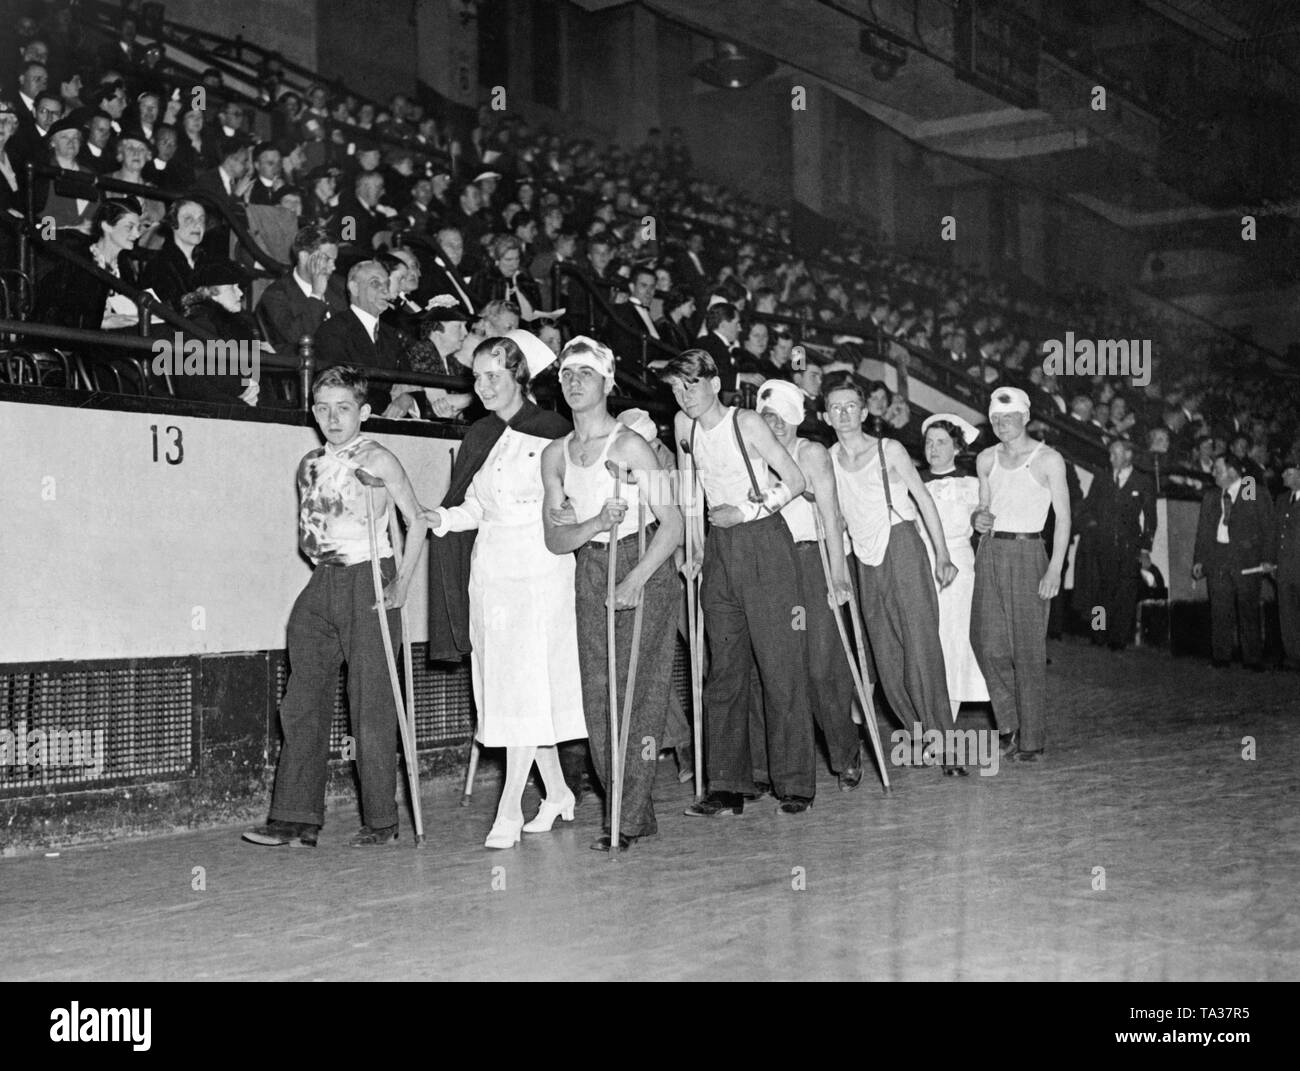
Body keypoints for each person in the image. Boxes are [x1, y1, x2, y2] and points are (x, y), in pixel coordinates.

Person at [243, 365, 430, 847]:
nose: (333, 417)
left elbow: (418, 522)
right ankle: (295, 816)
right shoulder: (307, 462)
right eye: (323, 408)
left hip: (369, 578)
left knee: (371, 705)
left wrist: (402, 584)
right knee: (301, 702)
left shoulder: (379, 458)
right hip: (322, 582)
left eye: (343, 408)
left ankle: (381, 822)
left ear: (364, 412)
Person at [424, 335, 585, 848]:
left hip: (541, 567)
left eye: (494, 375)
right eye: (476, 376)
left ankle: (509, 808)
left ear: (520, 376)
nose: (483, 385)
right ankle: (557, 792)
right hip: (491, 571)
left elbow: (572, 505)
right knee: (507, 687)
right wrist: (442, 517)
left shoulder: (555, 433)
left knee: (528, 686)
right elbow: (475, 506)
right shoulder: (479, 435)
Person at [541, 337, 683, 850]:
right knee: (598, 697)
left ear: (607, 382)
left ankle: (623, 816)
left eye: (584, 372)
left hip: (643, 560)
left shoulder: (629, 445)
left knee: (637, 696)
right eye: (566, 373)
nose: (574, 381)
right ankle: (632, 811)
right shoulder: (555, 455)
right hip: (591, 564)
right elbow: (557, 539)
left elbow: (674, 524)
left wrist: (634, 579)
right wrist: (595, 521)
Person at [661, 349, 817, 816]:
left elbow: (796, 477)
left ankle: (794, 784)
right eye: (675, 388)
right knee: (725, 669)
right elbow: (691, 491)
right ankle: (729, 783)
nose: (683, 396)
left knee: (779, 666)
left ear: (713, 381)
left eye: (690, 385)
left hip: (764, 541)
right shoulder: (682, 425)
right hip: (720, 550)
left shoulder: (745, 422)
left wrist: (748, 509)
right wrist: (691, 547)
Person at [824, 376, 962, 771]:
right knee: (886, 660)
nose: (844, 413)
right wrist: (837, 573)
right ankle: (923, 736)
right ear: (826, 415)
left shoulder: (890, 449)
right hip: (864, 562)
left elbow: (924, 499)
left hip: (902, 547)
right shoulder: (827, 459)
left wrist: (943, 554)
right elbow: (831, 519)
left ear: (865, 412)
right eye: (836, 407)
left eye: (851, 406)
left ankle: (948, 745)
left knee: (921, 649)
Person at [754, 379, 864, 790]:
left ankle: (845, 751)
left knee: (822, 668)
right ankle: (789, 770)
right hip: (772, 568)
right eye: (767, 417)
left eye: (783, 418)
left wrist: (837, 573)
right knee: (786, 673)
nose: (775, 425)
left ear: (797, 419)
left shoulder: (811, 452)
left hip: (813, 559)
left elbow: (832, 515)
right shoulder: (753, 456)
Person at [971, 387, 1072, 762]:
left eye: (1009, 418)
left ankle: (1032, 738)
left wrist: (1055, 568)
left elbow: (1063, 518)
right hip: (991, 553)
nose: (1001, 425)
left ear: (1026, 417)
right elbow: (983, 508)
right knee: (988, 646)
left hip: (1029, 553)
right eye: (996, 419)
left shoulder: (1048, 459)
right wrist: (977, 519)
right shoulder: (985, 459)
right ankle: (1009, 724)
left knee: (1028, 650)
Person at [918, 414, 989, 723]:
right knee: (923, 643)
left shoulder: (972, 485)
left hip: (957, 567)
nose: (933, 449)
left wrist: (979, 520)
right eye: (929, 442)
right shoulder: (912, 481)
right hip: (919, 562)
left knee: (953, 640)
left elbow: (983, 517)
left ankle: (944, 724)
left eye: (942, 442)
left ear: (957, 447)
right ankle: (925, 720)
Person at [1192, 454, 1275, 670]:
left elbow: (1266, 526)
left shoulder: (1249, 487)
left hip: (1246, 560)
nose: (1212, 473)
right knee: (1219, 609)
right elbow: (1202, 532)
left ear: (1231, 471)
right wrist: (1199, 560)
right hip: (1218, 558)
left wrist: (1267, 558)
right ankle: (1221, 657)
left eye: (1216, 469)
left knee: (1248, 610)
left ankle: (1252, 659)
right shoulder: (1211, 495)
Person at [1075, 438, 1158, 650]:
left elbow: (1150, 518)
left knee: (1125, 593)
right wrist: (1090, 525)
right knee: (1100, 591)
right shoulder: (1102, 478)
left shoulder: (1143, 481)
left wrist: (1146, 548)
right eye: (1110, 454)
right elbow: (1088, 507)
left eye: (1115, 454)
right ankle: (1098, 633)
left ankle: (1118, 638)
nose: (1111, 458)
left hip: (1129, 546)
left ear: (1128, 456)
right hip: (1102, 545)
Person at [312, 259, 408, 415]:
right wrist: (390, 400)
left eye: (387, 284)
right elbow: (340, 388)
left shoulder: (392, 335)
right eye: (375, 283)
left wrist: (406, 400)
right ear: (354, 288)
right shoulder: (333, 331)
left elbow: (413, 385)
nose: (386, 291)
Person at [175, 259, 262, 407]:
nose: (240, 293)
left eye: (239, 287)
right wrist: (246, 387)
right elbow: (211, 372)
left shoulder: (233, 323)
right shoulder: (199, 322)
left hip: (232, 396)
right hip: (210, 403)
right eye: (232, 288)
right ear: (212, 293)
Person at [255, 223, 347, 354]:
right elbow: (298, 340)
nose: (333, 267)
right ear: (303, 256)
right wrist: (316, 295)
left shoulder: (340, 286)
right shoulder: (276, 294)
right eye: (326, 259)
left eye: (334, 261)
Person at [140, 197, 207, 309]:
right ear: (173, 224)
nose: (197, 225)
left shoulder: (207, 259)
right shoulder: (158, 265)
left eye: (201, 219)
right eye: (189, 219)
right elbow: (172, 307)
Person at [1274, 463, 1300, 671]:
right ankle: (1292, 655)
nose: (1283, 475)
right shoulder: (1281, 500)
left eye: (1289, 473)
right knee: (1287, 613)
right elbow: (1276, 534)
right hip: (1284, 567)